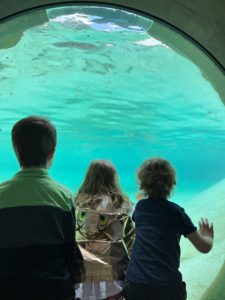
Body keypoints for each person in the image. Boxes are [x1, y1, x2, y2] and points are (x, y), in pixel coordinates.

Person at [0, 116, 80, 300]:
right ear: (52, 153)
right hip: (54, 290)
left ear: (15, 150)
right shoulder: (64, 196)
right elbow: (69, 252)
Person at [124, 157, 214, 300]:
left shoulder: (140, 208)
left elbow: (144, 210)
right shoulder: (176, 212)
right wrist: (208, 236)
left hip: (135, 284)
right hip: (167, 287)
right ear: (172, 183)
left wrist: (141, 200)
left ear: (142, 184)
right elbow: (204, 248)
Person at [74, 160, 135, 300]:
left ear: (88, 178)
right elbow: (132, 245)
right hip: (113, 278)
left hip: (82, 276)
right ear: (113, 179)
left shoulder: (78, 206)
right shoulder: (121, 206)